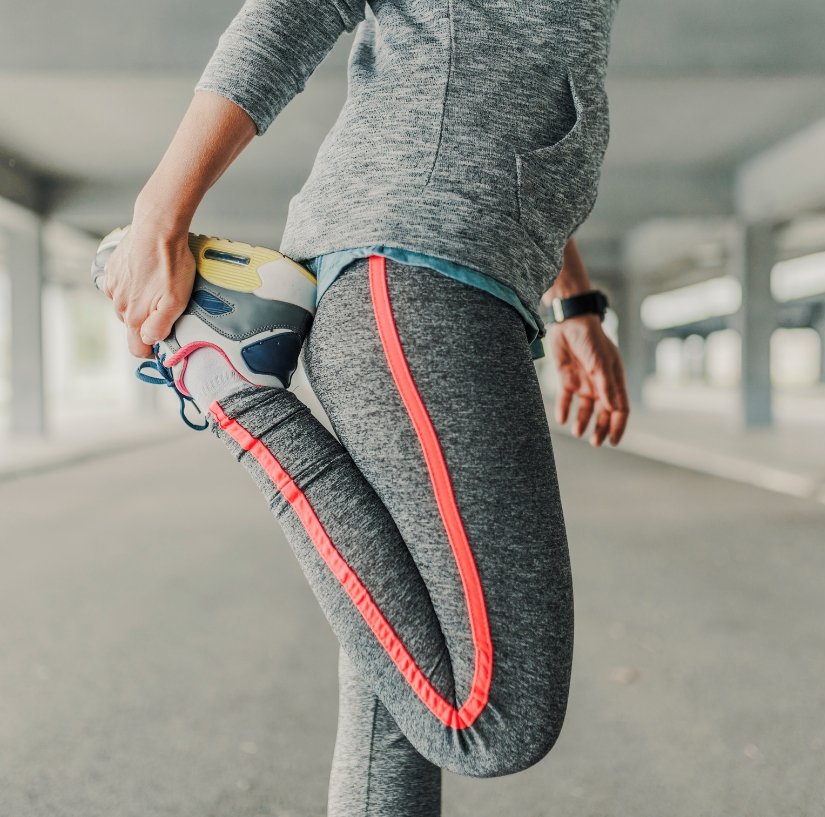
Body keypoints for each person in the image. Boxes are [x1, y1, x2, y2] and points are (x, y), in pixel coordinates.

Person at [101, 0, 627, 813]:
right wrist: (158, 218)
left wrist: (575, 304)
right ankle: (230, 380)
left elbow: (523, 94)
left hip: (450, 270)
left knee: (399, 676)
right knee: (492, 714)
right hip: (417, 274)